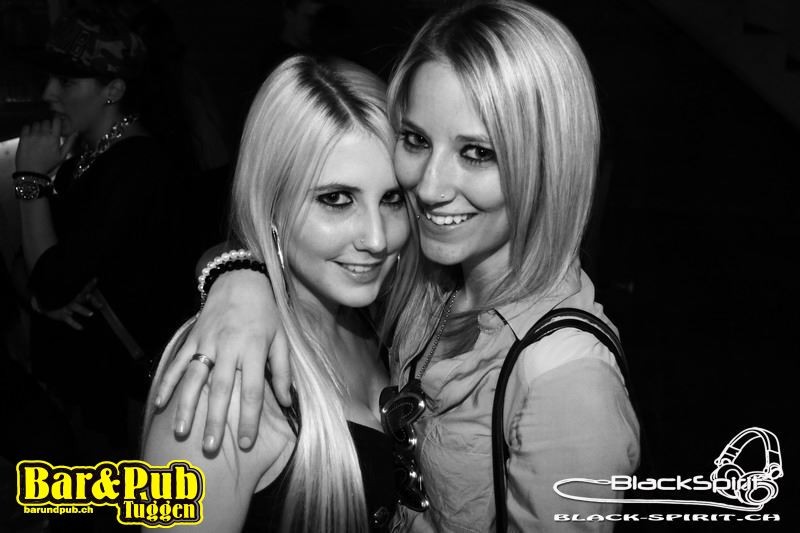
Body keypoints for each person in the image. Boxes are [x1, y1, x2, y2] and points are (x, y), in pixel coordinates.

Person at [155, 1, 640, 531]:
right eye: (416, 141)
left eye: (477, 152)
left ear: (548, 163)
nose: (426, 189)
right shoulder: (226, 383)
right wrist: (239, 275)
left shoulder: (565, 382)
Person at [142, 55, 410, 532]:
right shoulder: (223, 387)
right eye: (336, 199)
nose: (377, 239)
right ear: (271, 204)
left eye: (393, 199)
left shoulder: (376, 317)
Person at [14, 8, 194, 454]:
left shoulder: (138, 166)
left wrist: (29, 182)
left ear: (113, 90)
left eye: (67, 82)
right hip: (86, 393)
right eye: (50, 79)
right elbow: (31, 269)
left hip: (117, 399)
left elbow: (50, 279)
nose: (49, 93)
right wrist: (43, 296)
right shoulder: (83, 158)